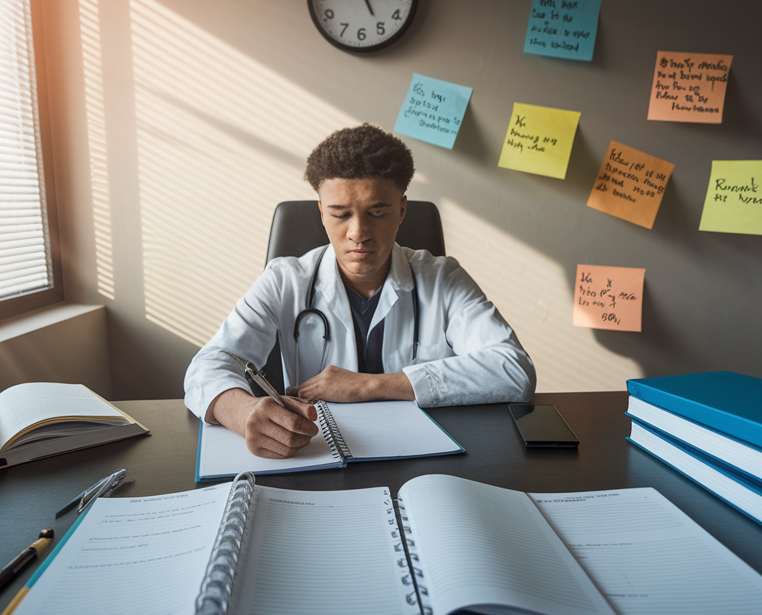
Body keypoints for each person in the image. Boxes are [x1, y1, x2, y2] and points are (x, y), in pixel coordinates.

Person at [183, 123, 536, 458]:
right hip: (318, 455)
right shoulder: (285, 280)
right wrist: (243, 412)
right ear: (321, 213)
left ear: (401, 210)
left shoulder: (442, 278)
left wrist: (370, 385)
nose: (358, 232)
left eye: (377, 212)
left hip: (422, 459)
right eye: (340, 214)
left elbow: (513, 370)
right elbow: (208, 366)